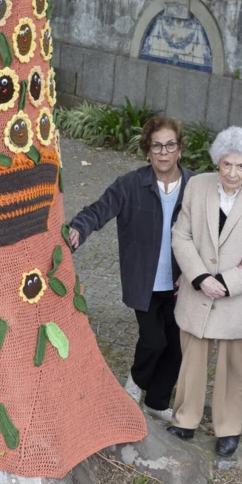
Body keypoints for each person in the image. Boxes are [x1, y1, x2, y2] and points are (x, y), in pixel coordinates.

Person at [67, 117, 197, 421]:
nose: (163, 152)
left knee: (177, 346)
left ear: (180, 149)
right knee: (154, 341)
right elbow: (98, 210)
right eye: (156, 146)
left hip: (182, 283)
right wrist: (79, 228)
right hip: (145, 282)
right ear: (147, 151)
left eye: (170, 145)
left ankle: (157, 401)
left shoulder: (196, 186)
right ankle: (135, 384)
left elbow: (219, 224)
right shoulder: (131, 185)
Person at [170, 126, 242, 457]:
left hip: (239, 298)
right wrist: (200, 277)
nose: (233, 173)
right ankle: (185, 419)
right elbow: (181, 235)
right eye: (227, 164)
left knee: (235, 368)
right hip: (198, 292)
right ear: (217, 162)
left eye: (241, 166)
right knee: (192, 361)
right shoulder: (197, 186)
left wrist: (227, 282)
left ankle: (229, 428)